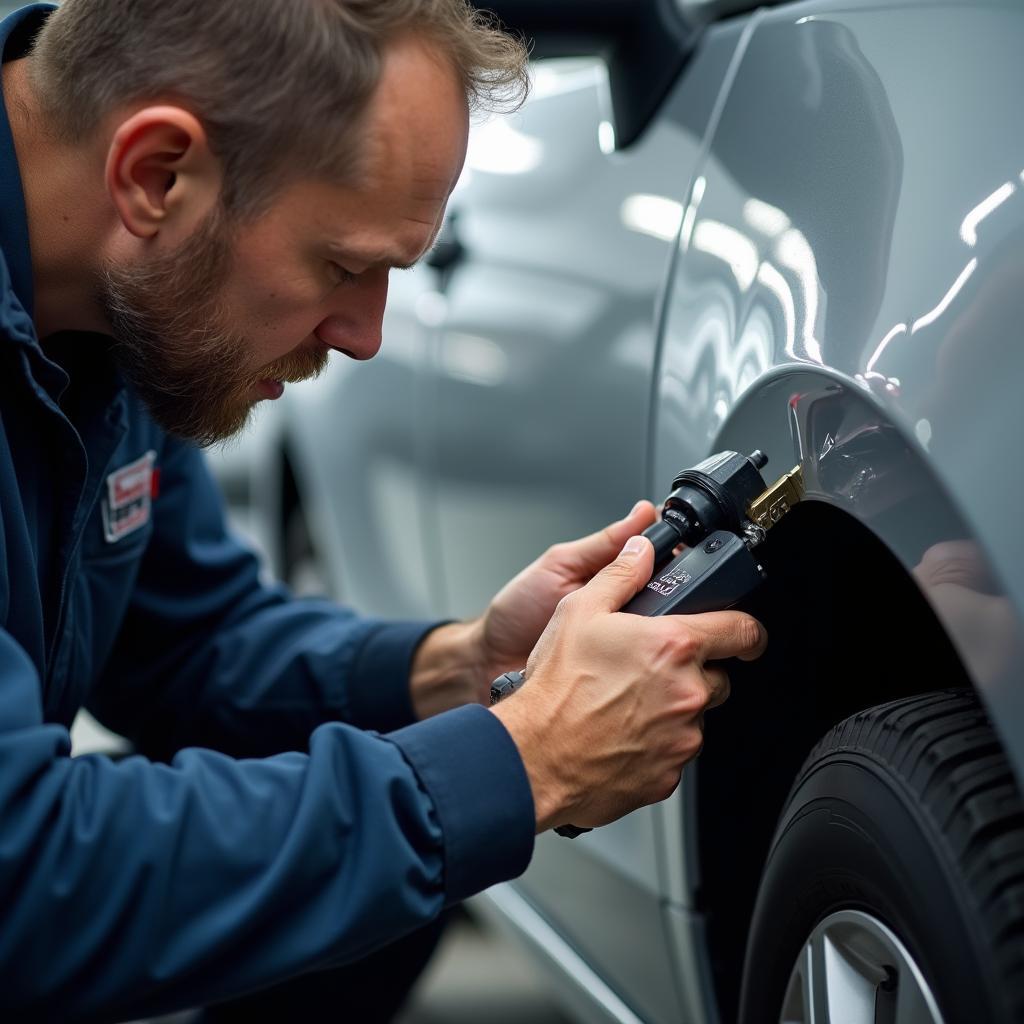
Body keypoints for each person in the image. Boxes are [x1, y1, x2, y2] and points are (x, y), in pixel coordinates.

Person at [0, 1, 767, 1019]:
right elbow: (22, 881)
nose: (364, 336)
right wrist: (524, 758)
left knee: (389, 855)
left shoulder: (115, 306)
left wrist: (462, 663)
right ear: (157, 175)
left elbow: (190, 646)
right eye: (343, 266)